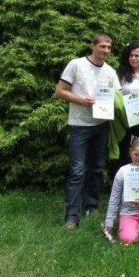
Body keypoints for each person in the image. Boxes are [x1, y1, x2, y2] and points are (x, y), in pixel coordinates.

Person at [56, 33, 121, 229]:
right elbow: (60, 91)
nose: (106, 50)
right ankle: (71, 216)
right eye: (102, 46)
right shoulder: (76, 65)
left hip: (101, 126)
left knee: (97, 169)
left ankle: (91, 208)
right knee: (77, 172)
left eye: (108, 47)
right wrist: (80, 100)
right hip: (80, 125)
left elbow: (117, 97)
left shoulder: (110, 71)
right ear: (92, 46)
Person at [103, 137, 139, 243]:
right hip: (128, 213)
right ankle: (131, 228)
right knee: (128, 239)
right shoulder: (122, 171)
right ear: (130, 152)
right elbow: (114, 197)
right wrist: (109, 222)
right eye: (136, 154)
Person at [117, 42, 139, 166]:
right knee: (124, 154)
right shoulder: (120, 75)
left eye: (137, 55)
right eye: (131, 55)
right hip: (124, 121)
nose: (133, 58)